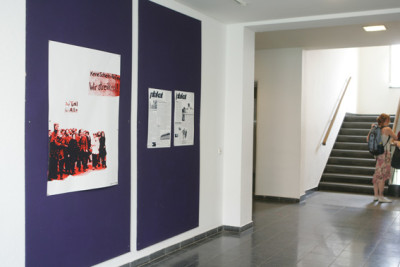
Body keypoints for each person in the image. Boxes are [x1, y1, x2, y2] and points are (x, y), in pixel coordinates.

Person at [367, 113, 397, 203]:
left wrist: (371, 129)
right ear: (386, 120)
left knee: (377, 174)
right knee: (382, 176)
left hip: (377, 154)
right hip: (385, 154)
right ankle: (381, 196)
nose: (390, 121)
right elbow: (396, 137)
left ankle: (376, 196)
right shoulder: (387, 129)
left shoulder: (375, 129)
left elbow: (367, 139)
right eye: (389, 120)